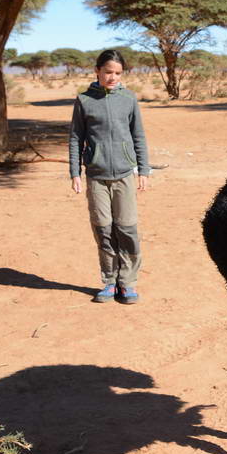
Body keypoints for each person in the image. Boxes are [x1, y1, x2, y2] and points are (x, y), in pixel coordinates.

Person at [69, 50, 151, 304]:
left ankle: (128, 283)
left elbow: (138, 136)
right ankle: (109, 282)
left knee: (126, 229)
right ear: (97, 71)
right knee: (103, 229)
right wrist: (75, 172)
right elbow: (75, 138)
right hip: (96, 175)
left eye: (117, 73)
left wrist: (143, 169)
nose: (112, 77)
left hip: (124, 175)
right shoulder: (84, 100)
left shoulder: (128, 99)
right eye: (107, 72)